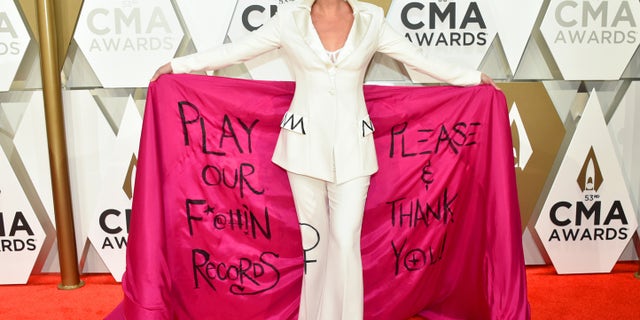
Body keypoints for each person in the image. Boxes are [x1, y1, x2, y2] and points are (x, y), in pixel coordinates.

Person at [151, 0, 497, 319]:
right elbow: (236, 51)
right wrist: (178, 66)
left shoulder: (371, 19)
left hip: (354, 150)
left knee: (345, 242)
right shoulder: (290, 18)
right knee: (313, 245)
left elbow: (418, 59)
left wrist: (469, 78)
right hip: (303, 149)